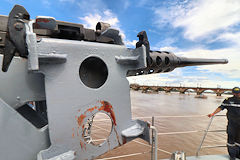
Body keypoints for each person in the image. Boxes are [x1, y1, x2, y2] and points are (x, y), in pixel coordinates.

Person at [208, 87, 240, 160]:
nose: (237, 94)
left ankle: (238, 156)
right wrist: (213, 113)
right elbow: (221, 107)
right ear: (233, 93)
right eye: (235, 93)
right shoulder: (228, 100)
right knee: (231, 142)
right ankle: (232, 156)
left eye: (238, 93)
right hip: (232, 125)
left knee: (239, 141)